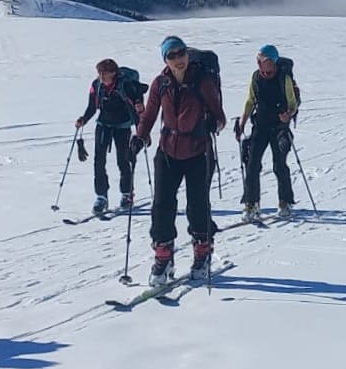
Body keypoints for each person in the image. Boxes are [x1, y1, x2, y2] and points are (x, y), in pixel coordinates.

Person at [131, 35, 225, 284]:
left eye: (180, 53)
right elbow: (149, 115)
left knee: (197, 206)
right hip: (167, 151)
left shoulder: (203, 81)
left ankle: (202, 253)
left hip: (198, 151)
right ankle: (163, 256)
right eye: (171, 55)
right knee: (161, 206)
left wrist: (212, 123)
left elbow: (220, 116)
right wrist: (139, 138)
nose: (178, 59)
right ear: (165, 59)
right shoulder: (160, 84)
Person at [234, 44, 299, 222]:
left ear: (272, 61)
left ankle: (284, 202)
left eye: (262, 59)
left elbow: (292, 102)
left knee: (279, 164)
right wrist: (243, 121)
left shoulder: (283, 78)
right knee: (252, 164)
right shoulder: (256, 77)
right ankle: (251, 204)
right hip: (260, 126)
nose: (259, 62)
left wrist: (289, 114)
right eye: (259, 59)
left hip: (279, 127)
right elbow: (250, 100)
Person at [74, 58, 139, 216]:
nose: (101, 76)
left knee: (123, 160)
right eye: (99, 72)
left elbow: (135, 107)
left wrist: (141, 130)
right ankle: (101, 196)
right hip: (103, 124)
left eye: (104, 73)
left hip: (122, 125)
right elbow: (92, 106)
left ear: (113, 73)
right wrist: (84, 119)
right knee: (99, 160)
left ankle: (126, 193)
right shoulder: (96, 86)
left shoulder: (124, 85)